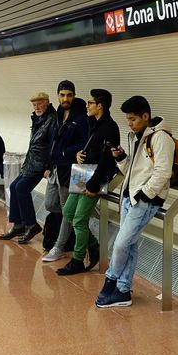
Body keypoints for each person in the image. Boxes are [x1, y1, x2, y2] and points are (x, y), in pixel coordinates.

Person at [95, 96, 174, 308]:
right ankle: (123, 291)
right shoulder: (138, 136)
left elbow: (163, 171)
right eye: (128, 120)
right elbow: (134, 170)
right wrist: (121, 158)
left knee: (121, 243)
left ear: (145, 116)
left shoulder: (161, 138)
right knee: (129, 244)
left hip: (144, 200)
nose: (129, 123)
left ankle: (110, 281)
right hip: (130, 196)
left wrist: (144, 194)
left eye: (132, 119)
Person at [49, 88, 120, 274]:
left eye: (90, 103)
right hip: (83, 174)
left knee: (80, 219)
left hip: (95, 179)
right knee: (68, 211)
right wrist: (79, 155)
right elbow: (89, 148)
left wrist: (94, 185)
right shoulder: (92, 123)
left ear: (100, 106)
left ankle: (78, 260)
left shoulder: (110, 128)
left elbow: (107, 161)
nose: (86, 105)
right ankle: (93, 245)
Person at [0, 91, 55, 244]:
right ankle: (19, 225)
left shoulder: (52, 119)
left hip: (40, 164)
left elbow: (52, 145)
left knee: (22, 188)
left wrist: (48, 166)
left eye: (40, 104)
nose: (37, 107)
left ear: (47, 103)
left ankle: (31, 224)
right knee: (14, 186)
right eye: (34, 105)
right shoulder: (38, 119)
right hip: (31, 162)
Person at [41, 80, 88, 259]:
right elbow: (53, 140)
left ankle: (59, 247)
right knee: (50, 204)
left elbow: (83, 144)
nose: (65, 98)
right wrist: (49, 163)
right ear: (58, 96)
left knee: (66, 210)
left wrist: (64, 153)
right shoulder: (59, 113)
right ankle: (70, 228)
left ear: (74, 95)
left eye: (69, 95)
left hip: (70, 171)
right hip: (55, 168)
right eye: (62, 95)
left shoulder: (82, 116)